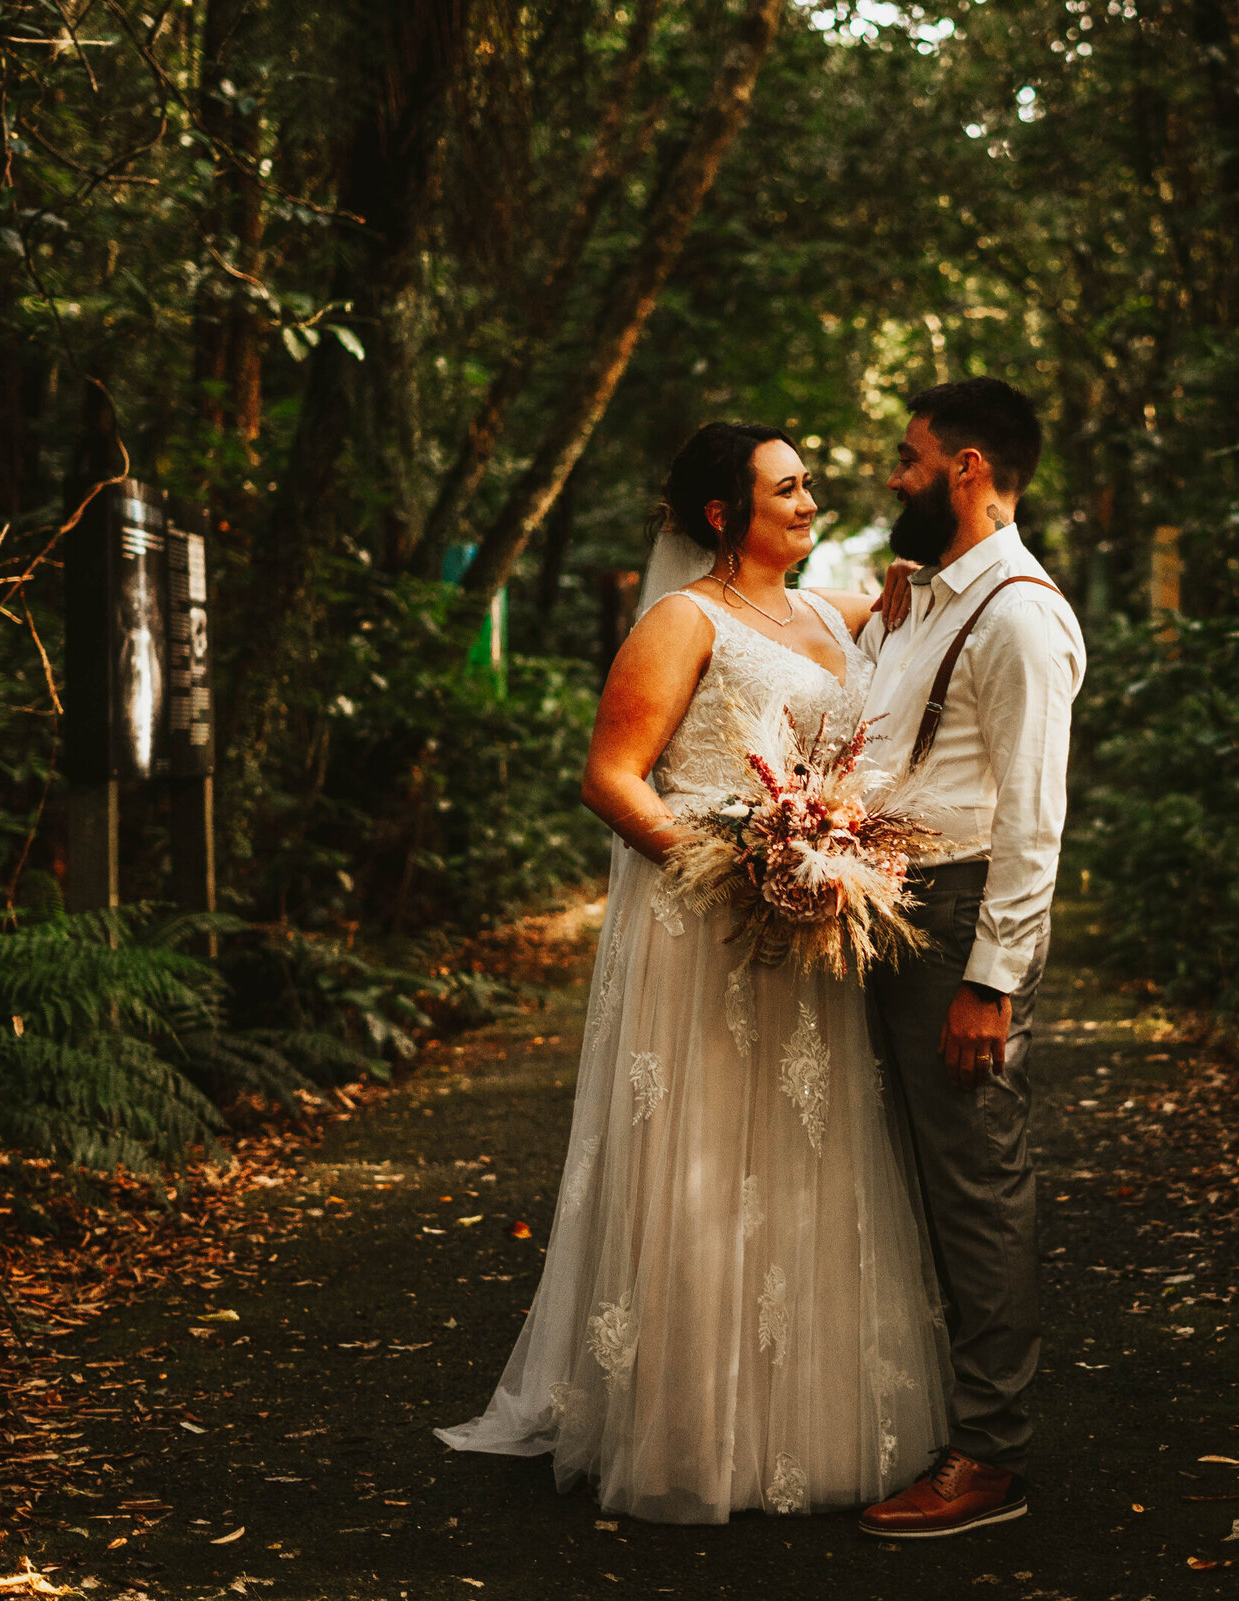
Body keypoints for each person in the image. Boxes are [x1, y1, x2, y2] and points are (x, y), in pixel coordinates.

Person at [436, 423, 952, 1524]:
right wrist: (737, 869)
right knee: (712, 1153)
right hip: (711, 924)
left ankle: (799, 1416)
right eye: (789, 486)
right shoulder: (681, 620)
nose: (812, 502)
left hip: (811, 928)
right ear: (726, 512)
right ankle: (687, 1430)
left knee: (809, 1151)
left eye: (811, 483)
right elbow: (612, 776)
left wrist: (830, 862)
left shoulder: (826, 613)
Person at [854, 378, 1086, 1538]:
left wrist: (992, 980)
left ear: (965, 466)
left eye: (907, 458)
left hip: (958, 922)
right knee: (918, 1172)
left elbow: (1032, 821)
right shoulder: (933, 602)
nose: (890, 476)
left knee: (977, 1179)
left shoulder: (1020, 616)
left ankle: (991, 1455)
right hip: (896, 910)